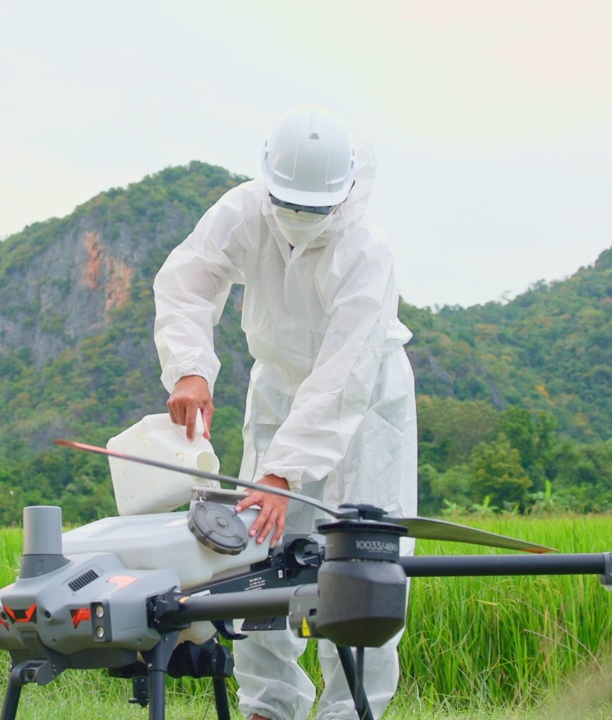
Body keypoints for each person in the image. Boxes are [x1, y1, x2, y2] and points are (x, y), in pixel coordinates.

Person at [152, 104, 418, 720]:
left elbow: (343, 374)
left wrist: (282, 471)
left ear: (346, 191)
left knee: (364, 566)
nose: (298, 219)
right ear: (267, 182)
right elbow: (187, 281)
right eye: (287, 204)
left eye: (313, 208)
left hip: (366, 405)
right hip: (276, 390)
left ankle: (352, 711)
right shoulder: (243, 211)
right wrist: (191, 368)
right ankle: (270, 706)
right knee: (258, 557)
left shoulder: (365, 251)